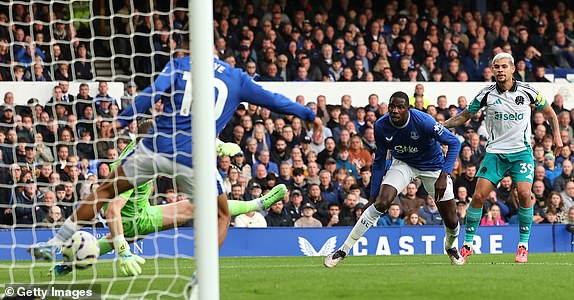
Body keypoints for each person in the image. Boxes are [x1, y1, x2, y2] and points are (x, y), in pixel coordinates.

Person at [31, 45, 321, 276]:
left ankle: (54, 242)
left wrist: (122, 119)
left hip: (156, 148)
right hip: (193, 158)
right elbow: (273, 100)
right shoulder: (236, 78)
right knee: (218, 214)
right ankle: (204, 274)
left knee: (104, 192)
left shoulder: (180, 66)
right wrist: (307, 114)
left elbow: (151, 95)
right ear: (218, 55)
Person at [49, 123, 288, 276]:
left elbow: (181, 137)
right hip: (133, 220)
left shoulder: (146, 149)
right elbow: (112, 210)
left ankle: (66, 265)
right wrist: (124, 252)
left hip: (143, 212)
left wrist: (219, 145)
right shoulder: (131, 167)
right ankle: (258, 204)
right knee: (203, 205)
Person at [444, 52, 562, 264]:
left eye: (504, 66)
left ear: (512, 69)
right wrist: (441, 126)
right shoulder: (486, 94)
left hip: (521, 153)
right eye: (496, 66)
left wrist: (558, 138)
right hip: (495, 153)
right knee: (478, 196)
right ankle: (468, 245)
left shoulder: (528, 91)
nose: (499, 70)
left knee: (525, 193)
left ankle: (523, 246)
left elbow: (550, 113)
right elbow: (464, 116)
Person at [324, 91, 462, 267]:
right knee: (381, 203)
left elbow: (454, 143)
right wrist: (372, 197)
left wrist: (444, 174)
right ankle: (343, 250)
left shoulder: (424, 121)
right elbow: (380, 161)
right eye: (392, 106)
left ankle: (451, 247)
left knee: (451, 219)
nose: (395, 110)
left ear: (408, 109)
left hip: (433, 167)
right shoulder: (381, 126)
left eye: (400, 107)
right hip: (403, 163)